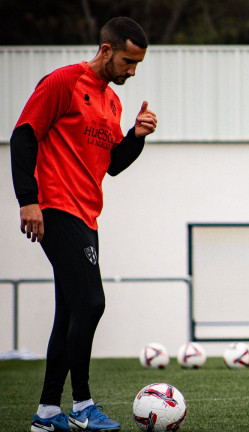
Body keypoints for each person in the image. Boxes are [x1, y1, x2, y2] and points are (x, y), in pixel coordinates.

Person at [10, 17, 157, 432]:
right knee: (92, 302)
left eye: (138, 65)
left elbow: (111, 166)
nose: (132, 71)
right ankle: (83, 405)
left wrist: (137, 136)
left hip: (87, 214)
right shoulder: (62, 82)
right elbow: (24, 136)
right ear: (107, 50)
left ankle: (47, 413)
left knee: (71, 309)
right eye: (128, 61)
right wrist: (29, 201)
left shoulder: (112, 103)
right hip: (56, 208)